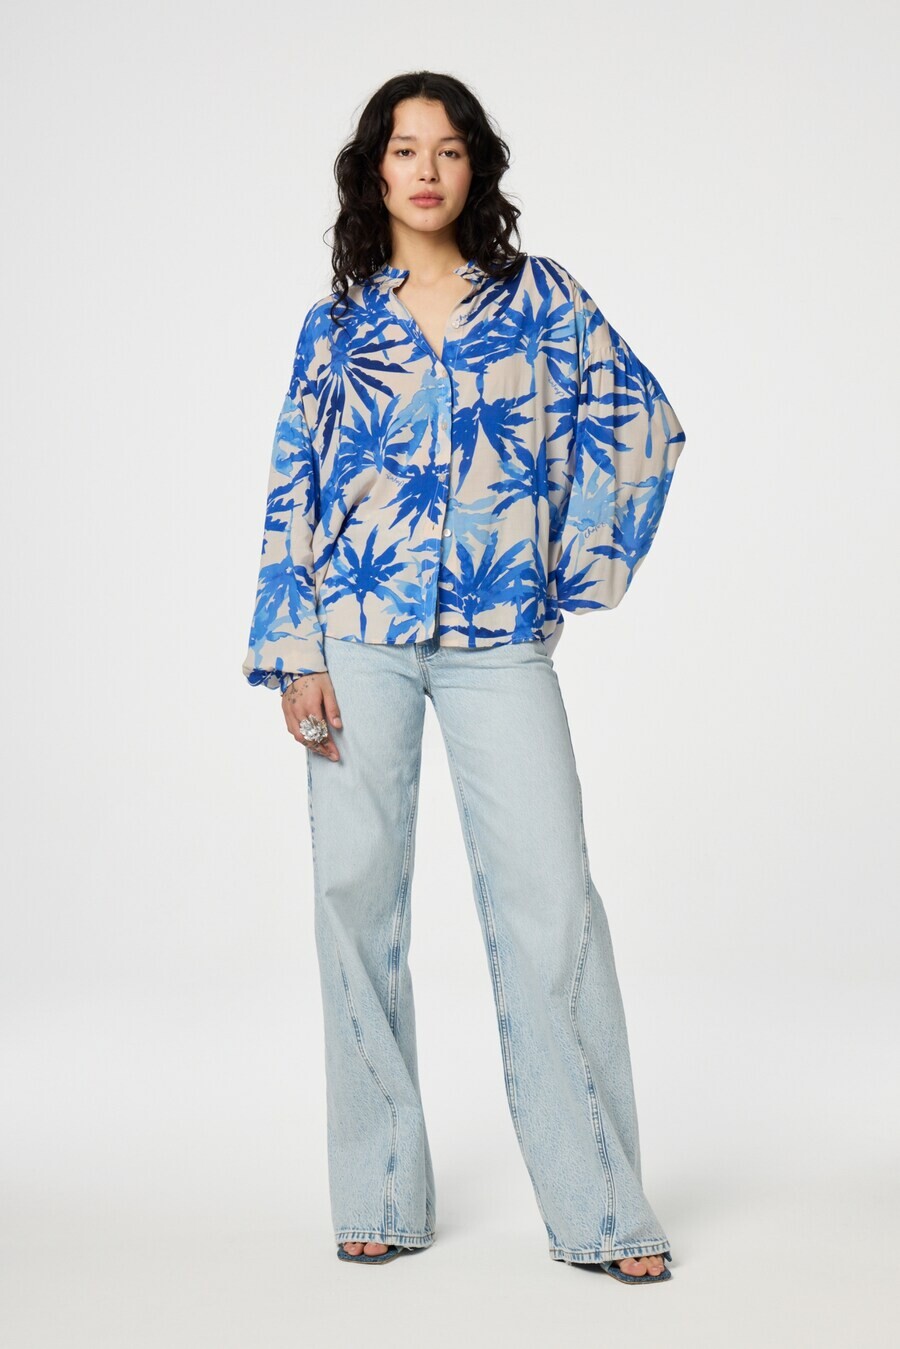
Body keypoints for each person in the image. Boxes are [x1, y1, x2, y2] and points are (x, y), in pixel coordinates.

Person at [241, 71, 685, 1284]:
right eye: (404, 149)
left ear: (475, 166)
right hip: (356, 629)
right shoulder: (337, 327)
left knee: (553, 902)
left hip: (498, 638)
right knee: (355, 900)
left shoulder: (542, 301)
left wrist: (571, 563)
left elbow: (640, 421)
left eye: (447, 149)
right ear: (374, 171)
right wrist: (293, 650)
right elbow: (292, 487)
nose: (426, 169)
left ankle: (603, 1207)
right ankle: (379, 1189)